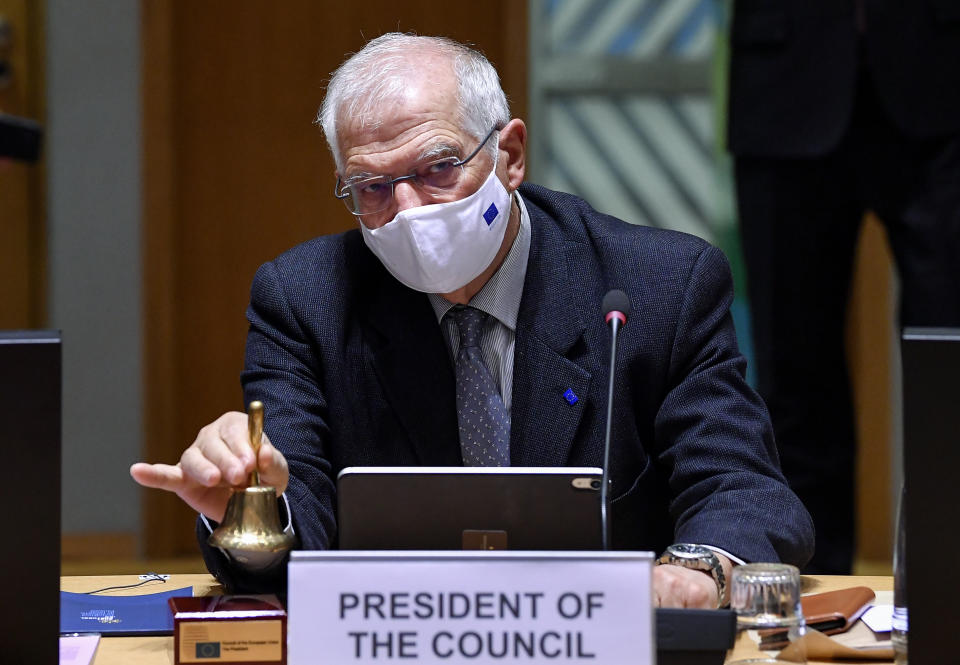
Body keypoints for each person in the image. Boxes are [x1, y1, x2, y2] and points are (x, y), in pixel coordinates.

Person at [132, 33, 813, 607]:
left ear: (508, 156)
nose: (407, 209)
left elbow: (743, 489)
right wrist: (247, 508)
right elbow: (292, 534)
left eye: (437, 167)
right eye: (371, 186)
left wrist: (694, 572)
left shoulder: (656, 288)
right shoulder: (306, 300)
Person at [728, 0, 960, 573]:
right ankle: (812, 589)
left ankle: (946, 580)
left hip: (942, 77)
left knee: (947, 363)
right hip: (784, 77)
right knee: (795, 370)